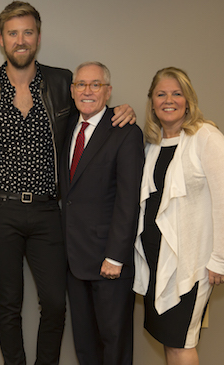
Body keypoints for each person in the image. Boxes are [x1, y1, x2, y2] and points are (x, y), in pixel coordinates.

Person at [0, 1, 136, 364]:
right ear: (2, 40)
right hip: (2, 209)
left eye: (27, 32)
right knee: (8, 302)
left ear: (38, 38)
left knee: (53, 302)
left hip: (49, 209)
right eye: (13, 33)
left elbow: (92, 106)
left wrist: (119, 111)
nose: (21, 40)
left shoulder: (62, 81)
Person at [133, 67, 224, 365]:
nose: (169, 100)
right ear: (152, 102)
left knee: (182, 342)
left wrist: (221, 258)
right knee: (170, 340)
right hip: (159, 261)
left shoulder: (206, 137)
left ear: (188, 99)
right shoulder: (153, 144)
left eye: (177, 93)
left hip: (192, 264)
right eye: (161, 94)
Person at [60, 62, 144, 365]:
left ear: (108, 91)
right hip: (74, 259)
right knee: (86, 346)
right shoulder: (69, 126)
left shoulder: (126, 132)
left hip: (109, 261)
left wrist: (116, 256)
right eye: (81, 84)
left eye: (95, 85)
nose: (87, 91)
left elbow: (128, 199)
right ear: (72, 91)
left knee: (114, 345)